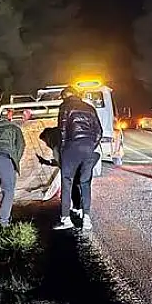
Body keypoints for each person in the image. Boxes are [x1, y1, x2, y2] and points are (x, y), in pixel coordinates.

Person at [54, 86, 102, 231]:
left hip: (71, 146)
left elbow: (62, 130)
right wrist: (90, 146)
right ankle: (86, 219)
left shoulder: (65, 107)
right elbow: (99, 131)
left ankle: (65, 219)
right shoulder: (90, 108)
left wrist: (63, 150)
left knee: (67, 181)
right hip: (88, 147)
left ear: (66, 95)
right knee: (85, 182)